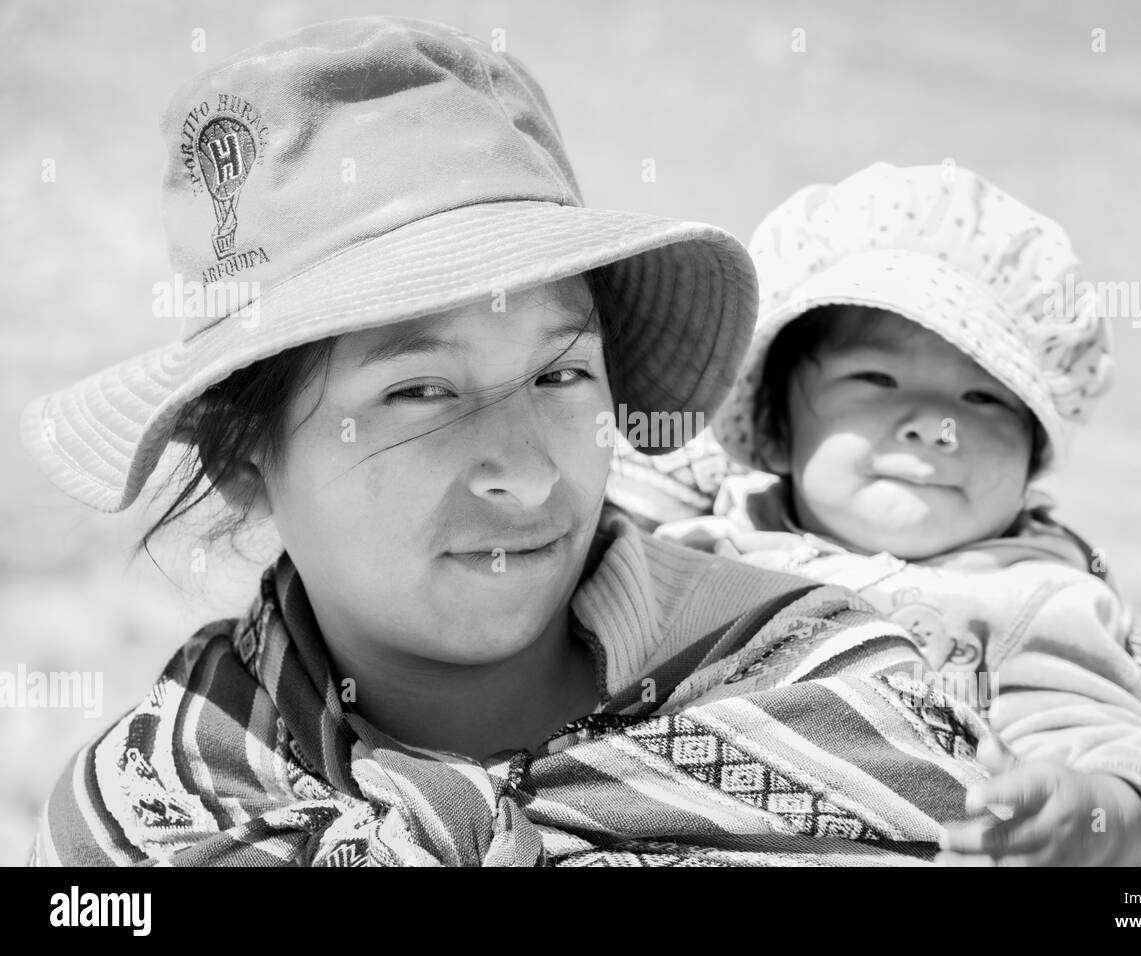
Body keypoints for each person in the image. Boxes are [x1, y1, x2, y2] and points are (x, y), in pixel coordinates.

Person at [19, 20, 990, 867]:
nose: (526, 474)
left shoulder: (834, 708)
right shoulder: (162, 809)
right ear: (239, 457)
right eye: (421, 390)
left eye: (560, 374)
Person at [652, 163, 1141, 865]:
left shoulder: (1031, 598)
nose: (933, 426)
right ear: (775, 426)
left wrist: (1086, 814)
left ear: (1036, 456)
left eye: (983, 398)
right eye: (875, 379)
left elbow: (1119, 748)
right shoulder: (699, 548)